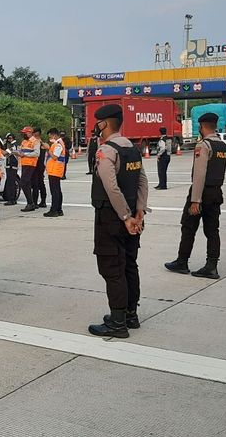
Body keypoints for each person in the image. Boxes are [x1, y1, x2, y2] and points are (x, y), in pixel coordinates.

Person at [88, 104, 148, 338]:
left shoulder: (106, 151)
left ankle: (117, 322)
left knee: (113, 268)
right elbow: (142, 181)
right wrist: (139, 211)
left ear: (104, 124)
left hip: (113, 219)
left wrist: (125, 216)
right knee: (130, 265)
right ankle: (130, 314)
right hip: (133, 217)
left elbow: (111, 187)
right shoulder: (132, 148)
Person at [164, 112, 226, 280]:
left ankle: (182, 261)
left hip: (202, 193)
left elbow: (200, 175)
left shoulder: (203, 146)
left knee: (188, 227)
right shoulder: (223, 146)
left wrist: (195, 201)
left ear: (202, 127)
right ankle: (212, 265)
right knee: (212, 230)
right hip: (216, 192)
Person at [44, 128, 66, 217]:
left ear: (54, 135)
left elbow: (54, 157)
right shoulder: (57, 143)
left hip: (55, 170)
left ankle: (54, 210)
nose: (50, 138)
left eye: (50, 136)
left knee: (55, 191)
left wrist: (48, 149)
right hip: (54, 170)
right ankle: (59, 209)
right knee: (57, 191)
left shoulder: (58, 144)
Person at [16, 126, 40, 212]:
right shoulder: (24, 141)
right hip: (24, 164)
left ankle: (31, 203)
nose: (23, 134)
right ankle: (30, 203)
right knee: (27, 183)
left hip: (30, 164)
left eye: (25, 133)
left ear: (30, 132)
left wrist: (24, 155)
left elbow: (37, 153)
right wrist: (17, 153)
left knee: (23, 182)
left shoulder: (35, 141)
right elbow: (21, 151)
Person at [32, 127, 48, 208]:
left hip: (39, 166)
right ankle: (40, 201)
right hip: (37, 165)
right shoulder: (36, 142)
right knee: (38, 183)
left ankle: (38, 201)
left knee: (38, 183)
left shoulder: (41, 143)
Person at [2, 133, 20, 206]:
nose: (8, 140)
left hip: (12, 167)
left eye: (9, 138)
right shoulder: (11, 145)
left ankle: (12, 199)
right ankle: (12, 199)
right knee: (10, 182)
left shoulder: (14, 146)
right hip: (10, 166)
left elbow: (5, 153)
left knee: (11, 183)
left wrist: (1, 146)